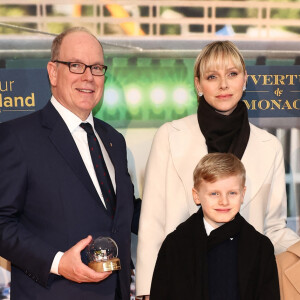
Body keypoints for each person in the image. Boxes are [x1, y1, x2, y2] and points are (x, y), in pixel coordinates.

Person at [136, 40, 299, 298]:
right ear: (198, 85)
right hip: (182, 279)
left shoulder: (270, 147)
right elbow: (152, 221)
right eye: (213, 76)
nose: (224, 85)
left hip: (243, 283)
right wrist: (146, 288)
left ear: (245, 80)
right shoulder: (169, 135)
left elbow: (274, 228)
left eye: (232, 74)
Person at [0, 27, 135, 300]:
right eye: (76, 65)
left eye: (97, 68)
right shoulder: (17, 137)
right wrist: (58, 262)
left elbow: (122, 214)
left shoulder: (114, 141)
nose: (88, 76)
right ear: (53, 72)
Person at [150, 153, 280, 300]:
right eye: (214, 193)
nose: (224, 201)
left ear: (243, 194)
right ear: (196, 195)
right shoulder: (175, 244)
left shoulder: (260, 247)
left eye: (232, 193)